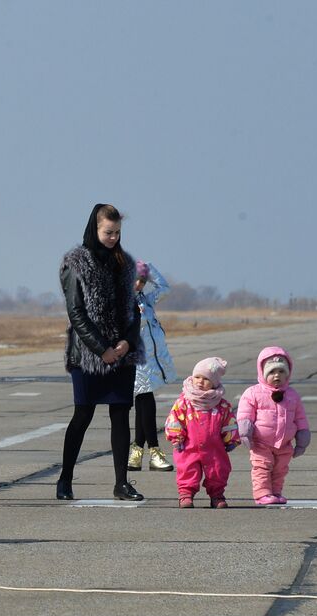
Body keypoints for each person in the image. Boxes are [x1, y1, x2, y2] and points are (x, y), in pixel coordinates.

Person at [55, 203, 143, 502]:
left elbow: (134, 309)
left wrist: (127, 343)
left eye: (117, 232)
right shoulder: (75, 263)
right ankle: (65, 479)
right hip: (88, 356)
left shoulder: (125, 263)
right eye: (108, 232)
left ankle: (121, 483)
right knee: (83, 414)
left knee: (120, 415)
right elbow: (76, 313)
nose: (113, 238)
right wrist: (101, 349)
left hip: (121, 354)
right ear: (95, 228)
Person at [236, 347, 311, 505]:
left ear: (288, 374)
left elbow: (300, 417)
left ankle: (276, 492)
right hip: (261, 442)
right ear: (262, 373)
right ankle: (262, 493)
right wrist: (245, 432)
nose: (277, 375)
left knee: (280, 469)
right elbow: (244, 414)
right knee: (262, 468)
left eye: (281, 372)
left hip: (284, 443)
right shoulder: (253, 393)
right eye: (271, 372)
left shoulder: (292, 395)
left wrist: (303, 437)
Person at [164, 357, 239, 508]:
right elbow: (175, 419)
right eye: (197, 377)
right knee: (187, 470)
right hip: (188, 446)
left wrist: (230, 439)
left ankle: (217, 495)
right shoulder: (184, 402)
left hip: (214, 448)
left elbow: (229, 423)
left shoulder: (221, 404)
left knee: (218, 470)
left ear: (215, 383)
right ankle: (186, 495)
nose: (200, 381)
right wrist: (176, 436)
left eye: (206, 379)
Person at [130, 259, 176, 472]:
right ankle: (154, 452)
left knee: (143, 405)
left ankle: (137, 453)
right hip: (135, 362)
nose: (139, 284)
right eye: (135, 280)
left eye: (142, 280)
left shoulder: (144, 300)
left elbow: (164, 288)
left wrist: (149, 269)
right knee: (146, 403)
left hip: (149, 363)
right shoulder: (123, 301)